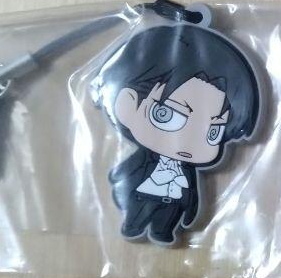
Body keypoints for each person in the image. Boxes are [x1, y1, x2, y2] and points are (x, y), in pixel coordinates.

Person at [92, 23, 260, 244]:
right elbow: (128, 170)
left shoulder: (188, 173)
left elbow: (192, 193)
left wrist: (190, 212)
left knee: (165, 221)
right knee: (137, 215)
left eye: (213, 132)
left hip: (172, 205)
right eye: (167, 115)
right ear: (127, 103)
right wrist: (119, 176)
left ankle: (162, 231)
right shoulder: (146, 161)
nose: (191, 144)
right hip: (141, 195)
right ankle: (133, 225)